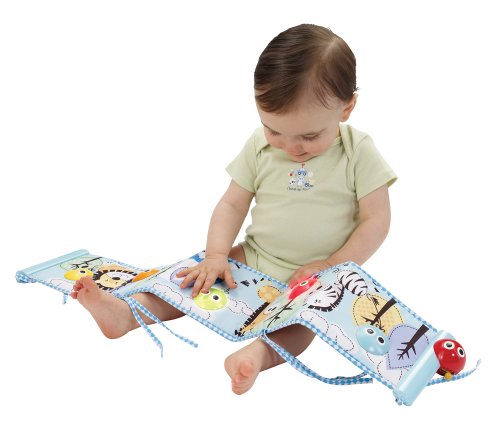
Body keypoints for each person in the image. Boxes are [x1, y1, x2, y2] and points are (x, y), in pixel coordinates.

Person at [71, 23, 397, 395]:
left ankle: (257, 355)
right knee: (190, 280)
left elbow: (377, 220)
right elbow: (232, 203)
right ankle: (129, 313)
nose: (291, 147)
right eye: (274, 130)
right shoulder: (259, 146)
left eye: (309, 136)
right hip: (255, 256)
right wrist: (216, 255)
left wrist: (332, 265)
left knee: (304, 324)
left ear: (347, 107)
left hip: (318, 278)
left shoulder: (358, 152)